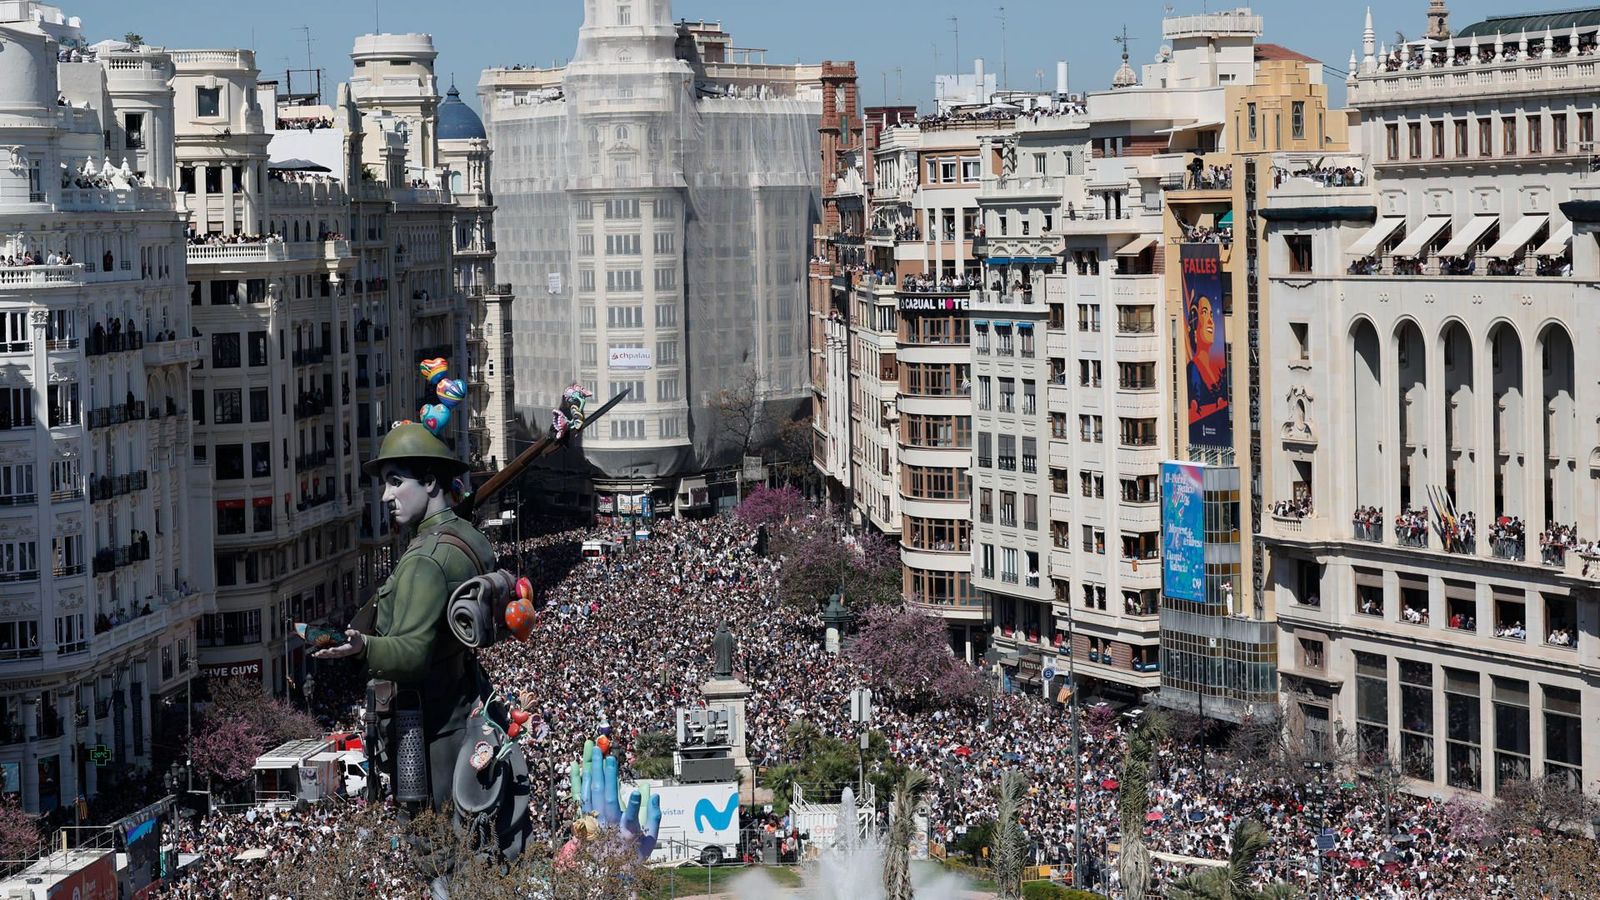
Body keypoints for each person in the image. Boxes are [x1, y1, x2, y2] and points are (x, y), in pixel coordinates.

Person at [315, 423, 495, 812]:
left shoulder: (425, 561)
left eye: (395, 482)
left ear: (430, 482)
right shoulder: (469, 538)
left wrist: (363, 647)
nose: (386, 495)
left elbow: (413, 653)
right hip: (465, 711)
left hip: (430, 734)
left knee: (435, 855)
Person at [1186, 293, 1228, 434]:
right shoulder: (1193, 368)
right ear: (1194, 324)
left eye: (1211, 314)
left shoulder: (1217, 368)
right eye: (1204, 313)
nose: (1211, 321)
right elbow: (1194, 407)